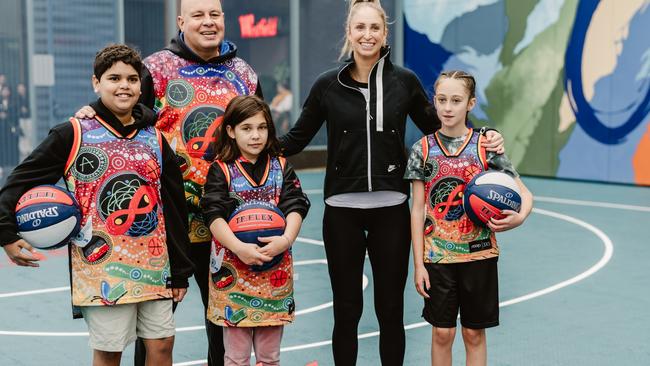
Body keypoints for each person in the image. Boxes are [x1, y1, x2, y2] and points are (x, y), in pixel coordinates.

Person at [278, 1, 505, 364]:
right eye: (360, 28)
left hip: (392, 212)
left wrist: (485, 138)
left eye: (374, 28)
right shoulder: (326, 86)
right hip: (341, 214)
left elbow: (443, 127)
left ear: (385, 33)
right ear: (349, 33)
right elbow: (295, 140)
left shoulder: (405, 82)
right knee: (347, 311)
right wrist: (243, 149)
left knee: (390, 311)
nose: (367, 35)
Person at [75, 1, 263, 364]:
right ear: (181, 22)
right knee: (153, 334)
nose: (208, 22)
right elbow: (123, 109)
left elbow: (259, 134)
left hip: (226, 221)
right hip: (163, 223)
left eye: (214, 14)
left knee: (225, 327)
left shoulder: (244, 73)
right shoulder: (156, 68)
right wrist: (90, 111)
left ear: (224, 19)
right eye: (198, 15)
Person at [0, 44, 194, 366]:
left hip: (156, 265)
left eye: (132, 79)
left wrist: (181, 271)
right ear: (96, 83)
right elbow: (19, 181)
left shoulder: (155, 138)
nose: (124, 86)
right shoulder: (73, 133)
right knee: (109, 352)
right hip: (101, 267)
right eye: (113, 78)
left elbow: (174, 208)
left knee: (161, 346)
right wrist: (6, 233)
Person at [405, 70, 533, 366]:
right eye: (441, 100)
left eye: (456, 100)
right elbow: (417, 209)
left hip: (479, 255)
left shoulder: (485, 146)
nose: (448, 107)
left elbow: (525, 194)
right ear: (434, 102)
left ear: (470, 104)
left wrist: (520, 217)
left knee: (474, 334)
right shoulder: (421, 150)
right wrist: (418, 264)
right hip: (438, 257)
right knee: (442, 333)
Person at [200, 95, 310, 365]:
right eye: (247, 128)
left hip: (274, 272)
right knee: (236, 357)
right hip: (234, 273)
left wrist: (285, 239)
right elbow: (213, 215)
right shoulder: (221, 170)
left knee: (270, 356)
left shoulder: (281, 166)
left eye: (262, 128)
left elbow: (297, 204)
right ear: (231, 131)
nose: (255, 135)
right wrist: (238, 247)